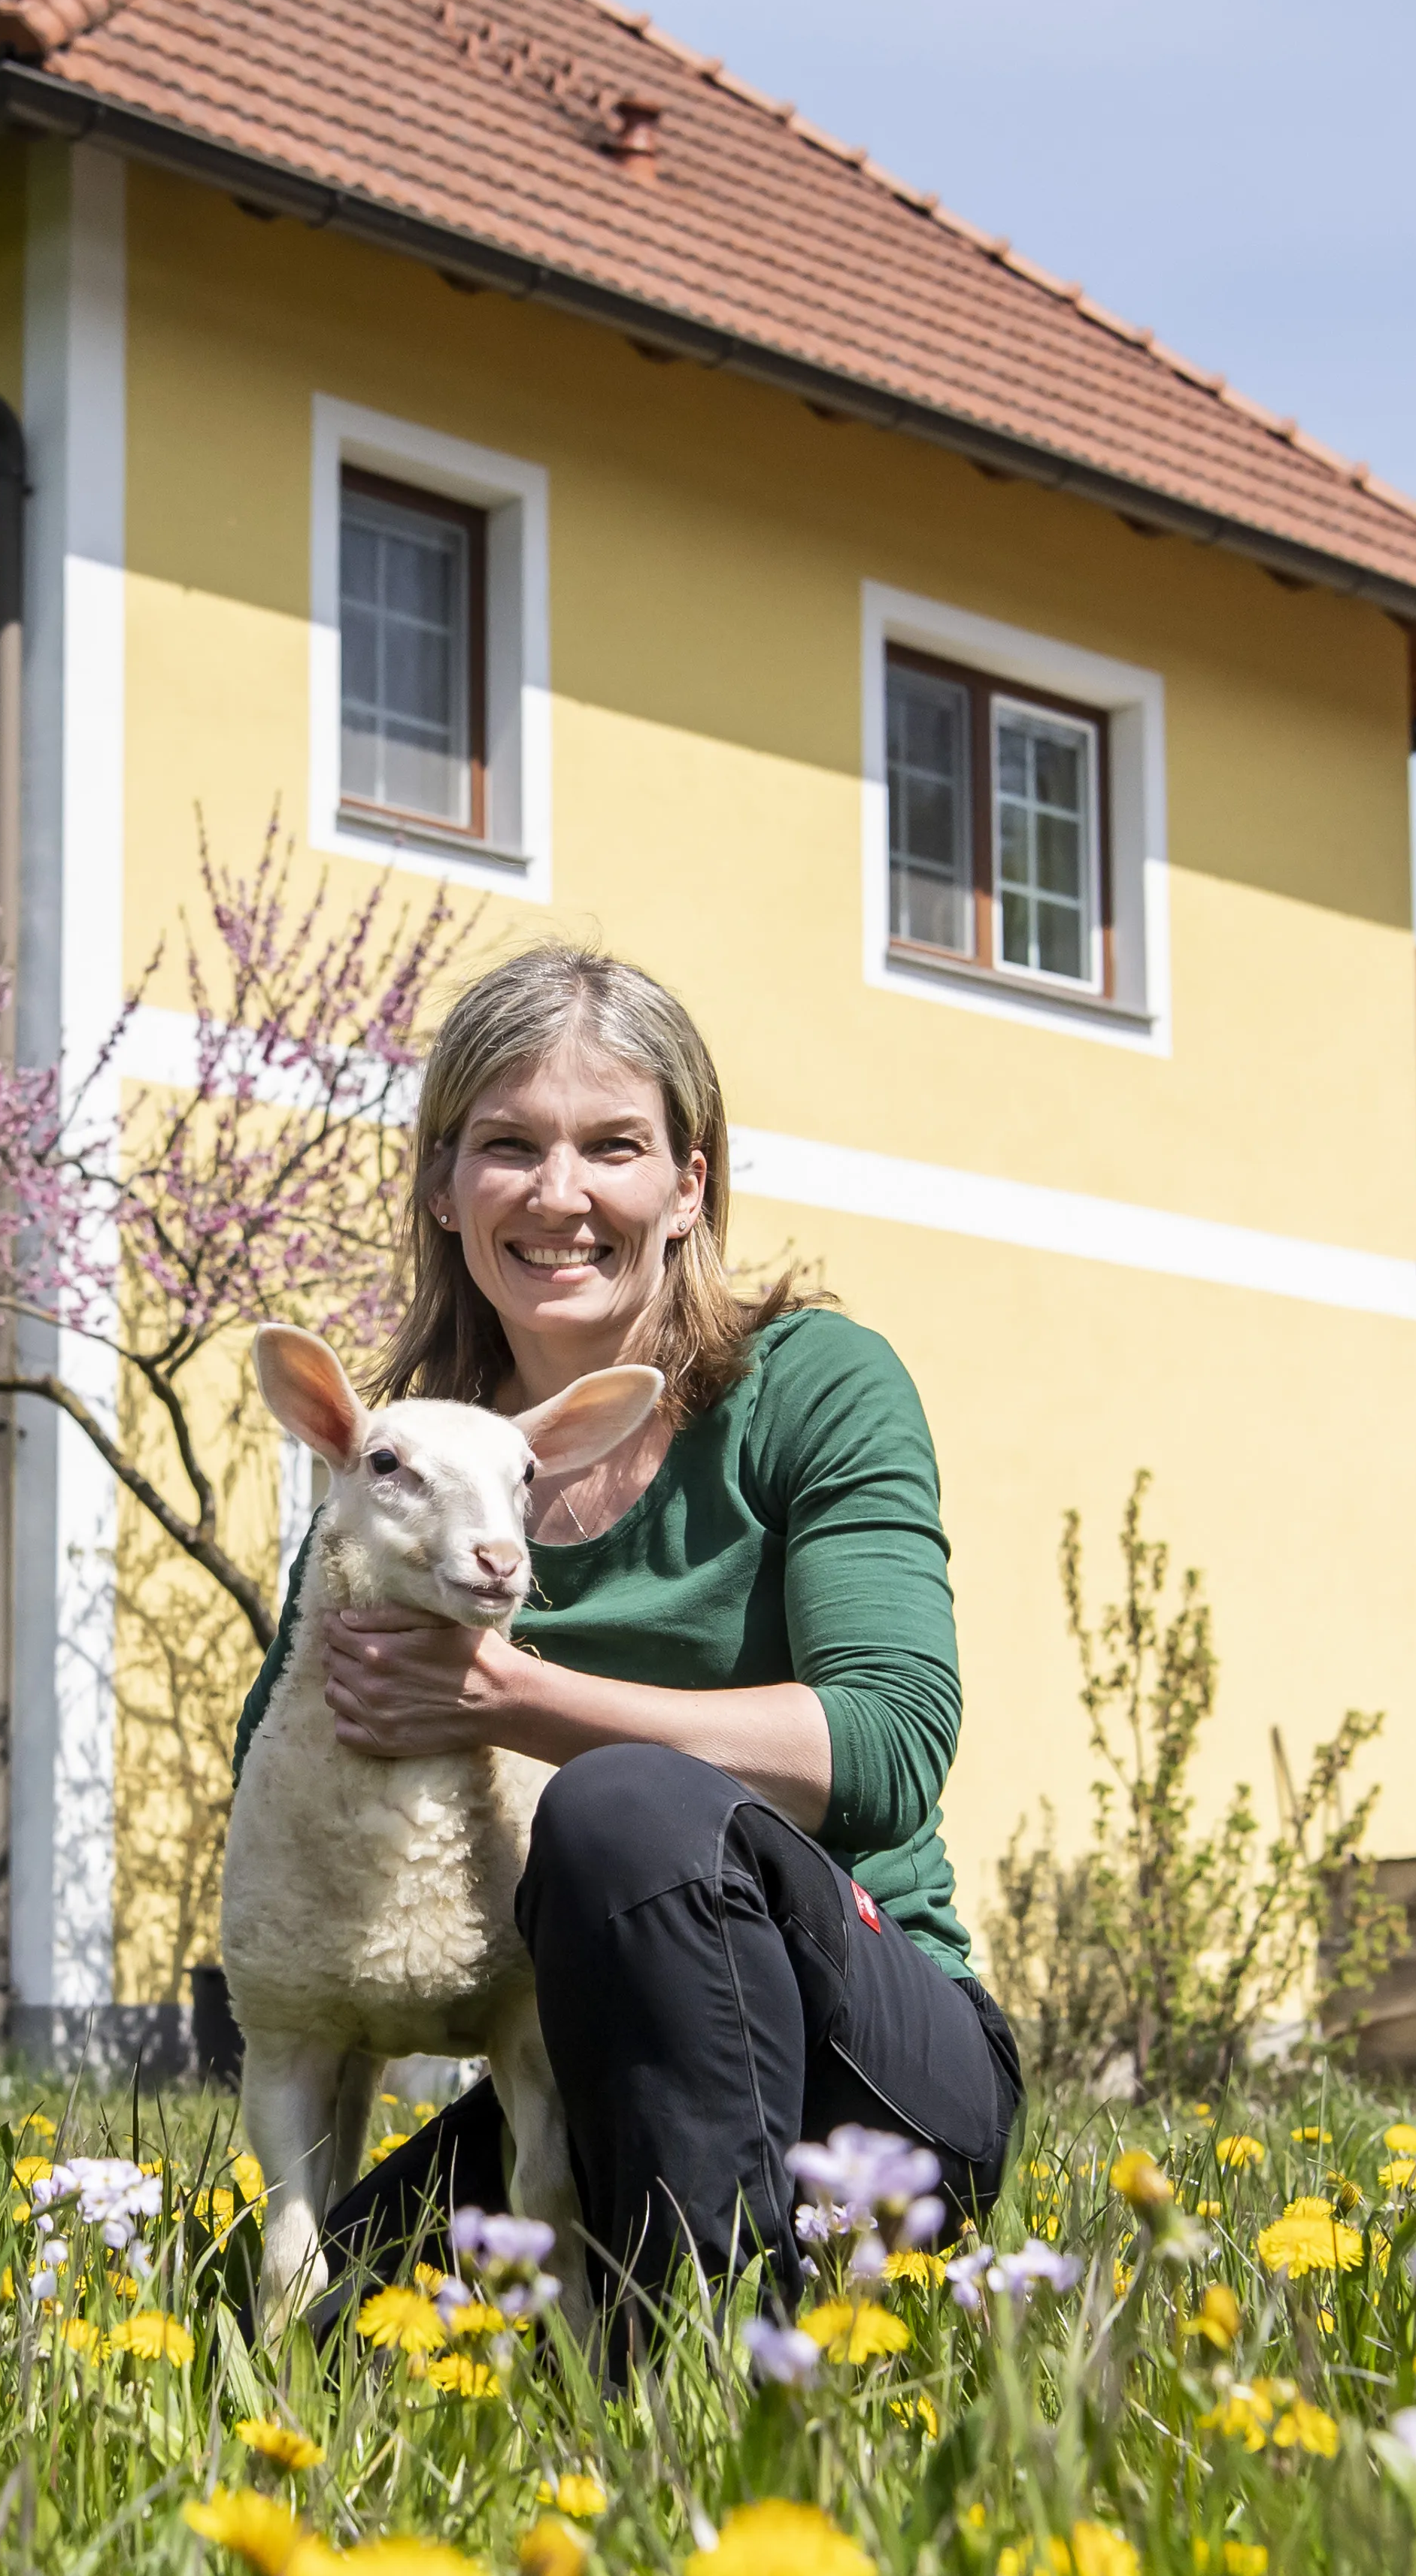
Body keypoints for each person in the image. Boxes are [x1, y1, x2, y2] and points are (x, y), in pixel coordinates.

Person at [240, 946, 1020, 2293]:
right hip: (596, 2060)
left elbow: (888, 1747)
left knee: (625, 1806)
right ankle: (620, 2307)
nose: (561, 1195)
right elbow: (292, 1772)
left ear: (688, 1185)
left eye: (613, 1146)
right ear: (442, 1186)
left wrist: (515, 1700)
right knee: (332, 2328)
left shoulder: (814, 1388)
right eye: (508, 1145)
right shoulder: (403, 1478)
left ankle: (699, 2348)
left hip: (875, 2073)